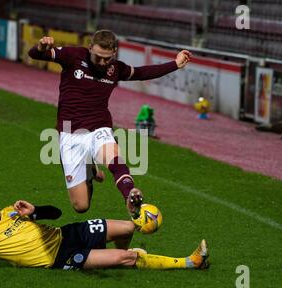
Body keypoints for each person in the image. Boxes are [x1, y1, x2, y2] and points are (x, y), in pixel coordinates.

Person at [28, 30, 192, 217]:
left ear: (114, 52)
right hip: (69, 133)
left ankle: (129, 194)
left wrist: (175, 64)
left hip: (99, 127)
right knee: (81, 206)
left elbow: (142, 73)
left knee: (113, 155)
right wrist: (41, 47)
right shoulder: (73, 56)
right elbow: (35, 54)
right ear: (90, 48)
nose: (102, 62)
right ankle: (89, 170)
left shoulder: (116, 69)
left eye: (107, 58)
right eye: (98, 57)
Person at [0, 192, 209, 271]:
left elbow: (56, 213)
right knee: (125, 259)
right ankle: (190, 262)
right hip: (60, 258)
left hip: (67, 233)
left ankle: (131, 236)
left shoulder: (13, 209)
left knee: (128, 227)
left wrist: (34, 211)